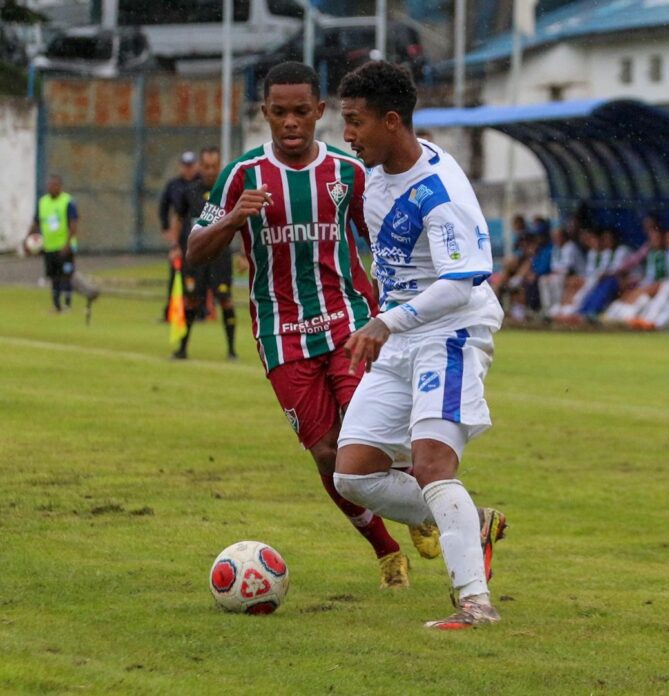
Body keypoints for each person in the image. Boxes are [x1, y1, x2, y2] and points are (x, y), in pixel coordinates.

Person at [186, 62, 505, 590]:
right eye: (279, 112)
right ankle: (393, 541)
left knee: (376, 449)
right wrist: (232, 219)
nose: (291, 122)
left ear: (319, 112)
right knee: (329, 454)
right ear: (264, 113)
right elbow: (194, 250)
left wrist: (392, 317)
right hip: (282, 332)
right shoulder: (243, 176)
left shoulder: (352, 173)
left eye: (301, 111)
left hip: (350, 324)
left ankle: (442, 526)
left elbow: (387, 244)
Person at [333, 61, 505, 629]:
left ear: (391, 121)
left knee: (432, 464)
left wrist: (388, 322)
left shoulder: (441, 190)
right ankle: (470, 520)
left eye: (355, 122)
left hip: (451, 332)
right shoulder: (378, 175)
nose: (348, 134)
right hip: (403, 331)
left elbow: (463, 281)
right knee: (353, 474)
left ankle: (475, 604)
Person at [168, 147, 237, 360]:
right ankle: (182, 348)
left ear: (220, 166)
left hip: (220, 256)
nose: (210, 170)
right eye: (206, 166)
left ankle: (231, 350)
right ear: (200, 166)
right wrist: (174, 246)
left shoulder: (228, 190)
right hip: (195, 256)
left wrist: (243, 252)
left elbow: (242, 220)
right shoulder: (190, 191)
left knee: (225, 299)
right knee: (191, 301)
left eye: (214, 166)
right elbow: (179, 218)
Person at [25, 174, 78, 313]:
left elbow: (73, 225)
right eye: (49, 185)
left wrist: (67, 244)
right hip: (49, 247)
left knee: (66, 276)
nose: (50, 188)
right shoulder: (43, 202)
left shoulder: (67, 202)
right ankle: (56, 306)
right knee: (54, 277)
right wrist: (27, 240)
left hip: (65, 247)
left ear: (59, 186)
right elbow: (36, 223)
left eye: (53, 185)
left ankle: (67, 305)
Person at [159, 151, 199, 322]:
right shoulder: (174, 185)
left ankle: (200, 310)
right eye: (185, 166)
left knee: (199, 275)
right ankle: (172, 310)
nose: (188, 169)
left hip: (200, 235)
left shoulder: (202, 184)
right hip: (182, 237)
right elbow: (166, 209)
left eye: (191, 166)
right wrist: (168, 231)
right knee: (177, 272)